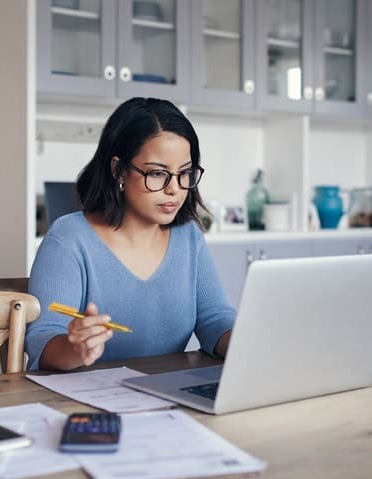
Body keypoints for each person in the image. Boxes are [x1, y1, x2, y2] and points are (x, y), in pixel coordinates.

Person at [26, 97, 235, 371]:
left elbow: (214, 318)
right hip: (84, 404)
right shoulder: (69, 239)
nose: (174, 189)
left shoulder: (189, 237)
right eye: (158, 173)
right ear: (119, 170)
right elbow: (43, 339)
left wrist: (246, 341)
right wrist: (74, 348)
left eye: (185, 173)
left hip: (165, 396)